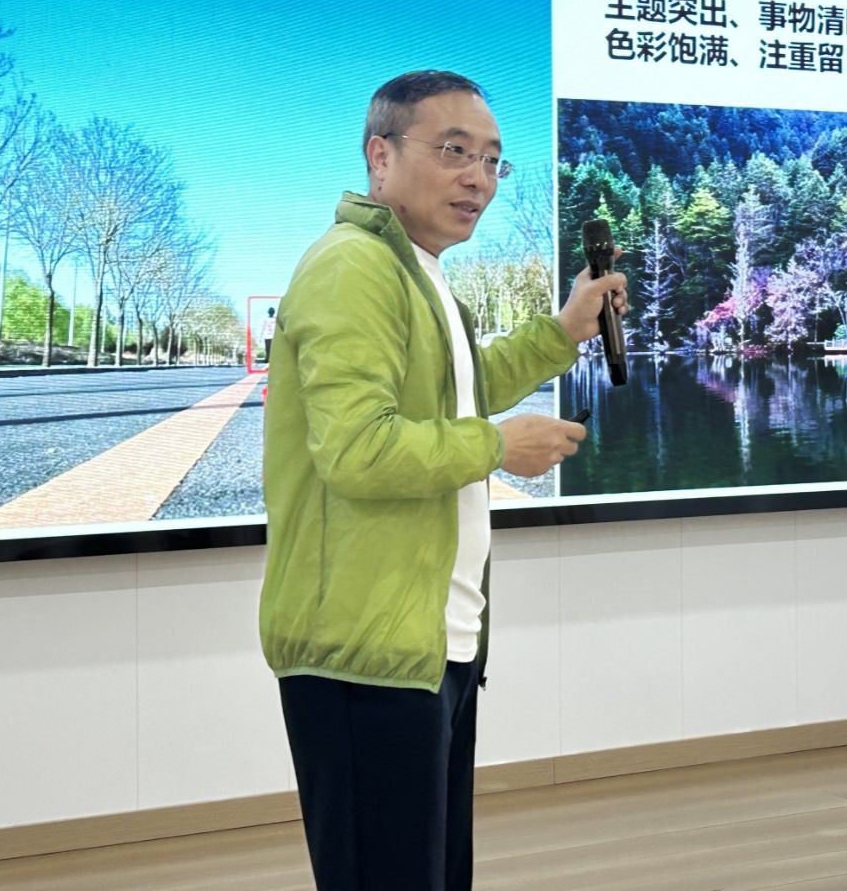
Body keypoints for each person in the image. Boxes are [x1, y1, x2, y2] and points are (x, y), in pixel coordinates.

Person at [258, 70, 626, 891]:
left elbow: (462, 386)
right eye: (455, 151)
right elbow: (357, 447)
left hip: (428, 644)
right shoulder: (354, 268)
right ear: (380, 156)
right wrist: (496, 446)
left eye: (493, 160)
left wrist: (565, 330)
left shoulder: (419, 272)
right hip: (362, 655)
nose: (479, 179)